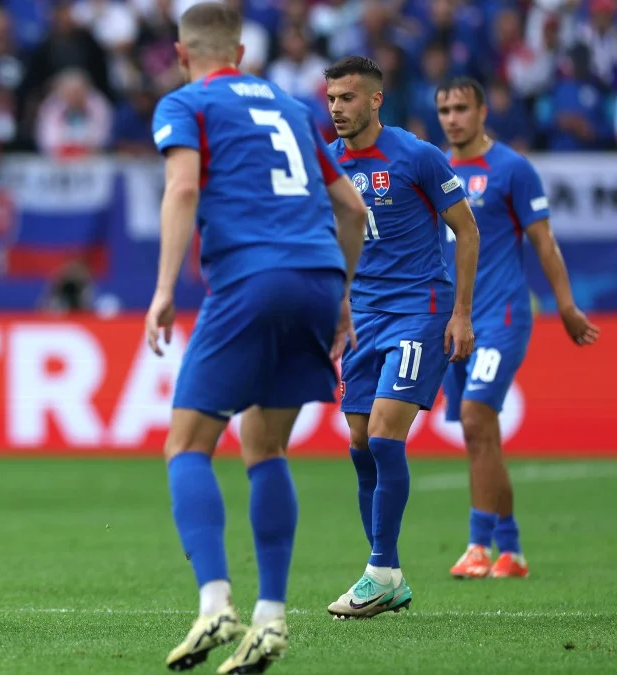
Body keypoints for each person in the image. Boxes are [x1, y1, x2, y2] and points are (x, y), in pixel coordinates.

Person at [145, 4, 367, 672]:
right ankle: (271, 616)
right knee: (265, 444)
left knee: (187, 443)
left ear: (184, 55)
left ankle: (216, 601)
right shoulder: (294, 105)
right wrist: (344, 296)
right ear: (240, 52)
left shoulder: (186, 103)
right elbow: (352, 208)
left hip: (251, 275)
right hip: (318, 277)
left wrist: (162, 290)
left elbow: (182, 188)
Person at [323, 56, 480, 618]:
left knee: (387, 436)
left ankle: (378, 571)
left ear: (374, 100)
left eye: (347, 97)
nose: (337, 107)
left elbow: (466, 229)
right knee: (361, 444)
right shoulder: (331, 164)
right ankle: (387, 573)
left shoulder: (417, 155)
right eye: (331, 97)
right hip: (362, 318)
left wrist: (461, 314)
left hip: (420, 309)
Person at [435, 76, 600, 580]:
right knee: (479, 435)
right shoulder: (434, 169)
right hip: (452, 323)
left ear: (483, 111)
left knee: (476, 416)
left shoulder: (511, 168)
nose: (452, 118)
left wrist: (567, 306)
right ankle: (512, 549)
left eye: (461, 108)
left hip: (503, 315)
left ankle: (478, 547)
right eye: (443, 110)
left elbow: (545, 243)